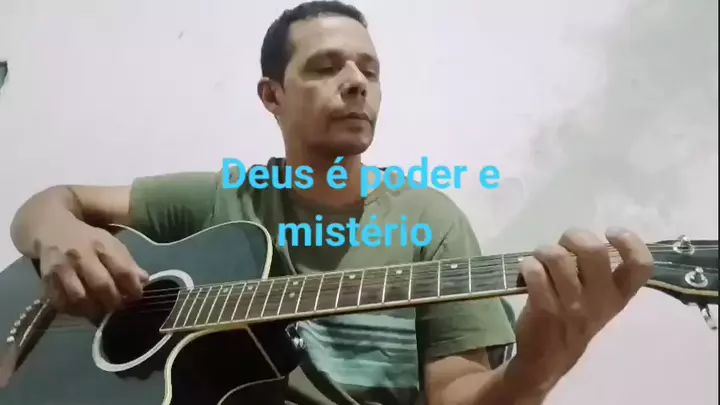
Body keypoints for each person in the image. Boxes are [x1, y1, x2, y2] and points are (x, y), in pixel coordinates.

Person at [9, 1, 654, 404]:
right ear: (273, 96)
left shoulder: (428, 222)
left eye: (370, 71)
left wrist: (536, 370)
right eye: (326, 67)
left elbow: (457, 395)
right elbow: (51, 203)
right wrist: (55, 230)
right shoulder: (222, 198)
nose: (356, 84)